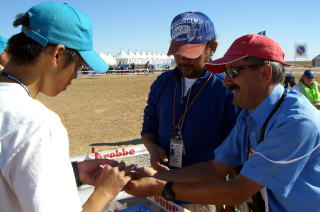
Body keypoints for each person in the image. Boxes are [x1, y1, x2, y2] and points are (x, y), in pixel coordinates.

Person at [125, 34, 320, 212]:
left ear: (265, 73)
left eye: (234, 71)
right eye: (226, 73)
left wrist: (161, 188)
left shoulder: (296, 122)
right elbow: (215, 168)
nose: (226, 82)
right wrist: (155, 176)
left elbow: (237, 192)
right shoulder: (249, 114)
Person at [0, 2, 131, 212]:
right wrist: (105, 192)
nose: (76, 76)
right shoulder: (37, 124)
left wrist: (73, 172)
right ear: (58, 54)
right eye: (78, 66)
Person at [141, 11, 238, 211]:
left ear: (212, 48)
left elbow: (234, 151)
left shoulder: (226, 89)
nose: (183, 59)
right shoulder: (162, 83)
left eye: (192, 53)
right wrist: (152, 148)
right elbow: (149, 124)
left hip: (206, 194)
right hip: (163, 189)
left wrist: (229, 200)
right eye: (178, 52)